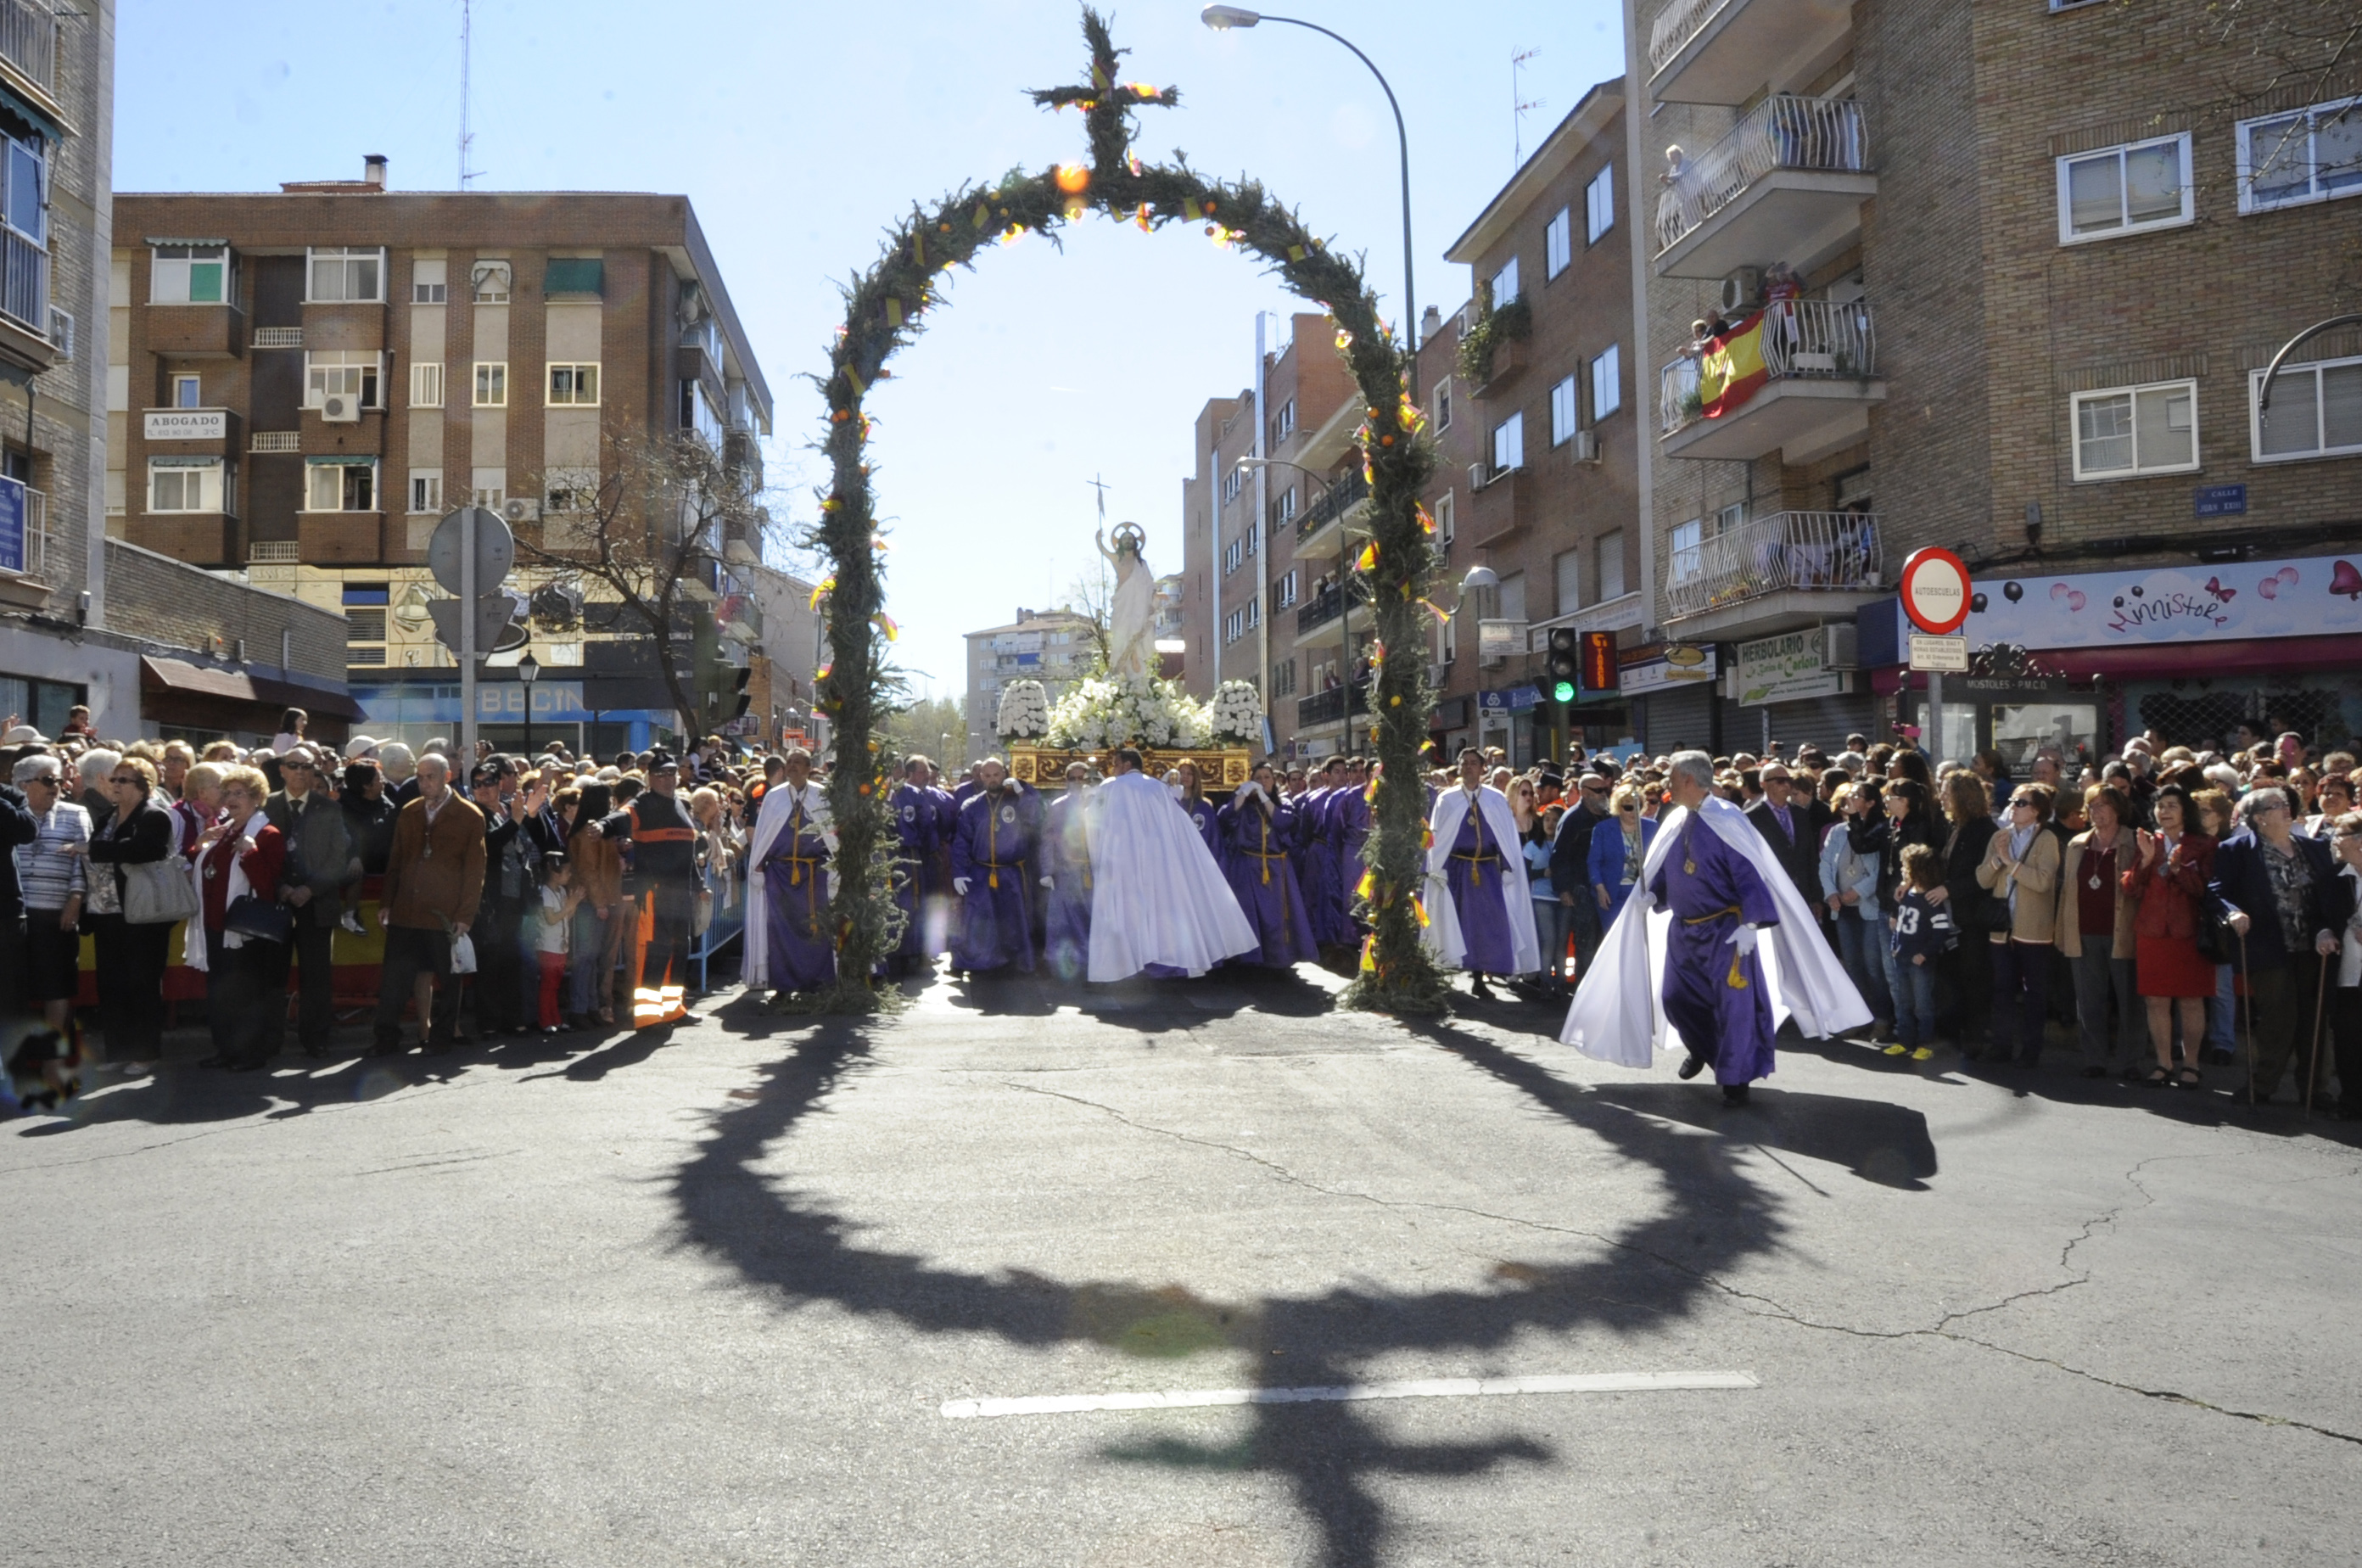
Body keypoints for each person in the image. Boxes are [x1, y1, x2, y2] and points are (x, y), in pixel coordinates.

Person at [1561, 750, 1868, 1104]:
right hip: (1684, 930)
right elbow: (1666, 867)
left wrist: (1752, 924)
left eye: (1673, 779)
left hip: (1726, 932)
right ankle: (1706, 1049)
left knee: (1733, 1008)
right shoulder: (1677, 818)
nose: (1667, 787)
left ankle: (1736, 1080)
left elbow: (1750, 873)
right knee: (1676, 999)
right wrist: (1652, 895)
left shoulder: (1727, 819)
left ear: (1690, 780)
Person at [1083, 746, 1258, 983]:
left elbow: (1092, 821)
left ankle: (1122, 963)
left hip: (1121, 862)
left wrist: (1098, 855)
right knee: (1155, 912)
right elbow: (1180, 826)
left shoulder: (1111, 786)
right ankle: (1155, 959)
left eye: (1115, 764)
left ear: (1125, 765)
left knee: (1123, 912)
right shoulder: (1158, 788)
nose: (1113, 769)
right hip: (1157, 862)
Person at [2211, 786, 2339, 1102]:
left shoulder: (2315, 848)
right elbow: (2216, 892)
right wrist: (2233, 913)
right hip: (2268, 946)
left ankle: (2315, 1088)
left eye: (2286, 803)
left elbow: (2330, 897)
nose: (2286, 808)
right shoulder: (2236, 850)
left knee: (2315, 1018)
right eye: (2276, 805)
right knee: (2278, 1018)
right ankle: (2263, 1085)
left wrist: (2326, 928)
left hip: (2313, 946)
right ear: (2259, 818)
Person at [370, 754, 484, 1056]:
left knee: (450, 980)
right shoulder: (410, 811)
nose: (424, 783)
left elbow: (475, 871)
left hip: (444, 914)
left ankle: (442, 1037)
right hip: (406, 911)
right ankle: (386, 1038)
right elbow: (396, 861)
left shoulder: (470, 816)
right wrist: (386, 903)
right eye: (419, 777)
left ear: (447, 777)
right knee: (394, 979)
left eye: (430, 776)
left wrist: (464, 916)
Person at [583, 753, 704, 1021]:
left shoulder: (680, 804)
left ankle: (674, 1010)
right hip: (654, 892)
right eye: (661, 774)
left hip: (680, 893)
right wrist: (602, 826)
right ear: (649, 778)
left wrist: (700, 885)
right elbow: (619, 816)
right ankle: (649, 1017)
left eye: (671, 773)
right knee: (656, 954)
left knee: (680, 951)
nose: (667, 779)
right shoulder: (641, 805)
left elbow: (688, 851)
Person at [82, 755, 179, 1074]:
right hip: (107, 911)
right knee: (111, 983)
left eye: (124, 780)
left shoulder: (154, 816)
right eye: (115, 779)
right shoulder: (107, 817)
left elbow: (143, 850)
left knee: (142, 982)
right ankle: (118, 1051)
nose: (116, 785)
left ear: (143, 787)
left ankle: (145, 1052)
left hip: (143, 913)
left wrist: (92, 850)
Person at [189, 764, 287, 1071]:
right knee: (220, 993)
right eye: (227, 793)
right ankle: (226, 1049)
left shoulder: (268, 834)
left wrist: (251, 853)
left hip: (245, 932)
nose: (231, 799)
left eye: (239, 794)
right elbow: (207, 871)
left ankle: (251, 1053)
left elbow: (268, 888)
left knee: (247, 995)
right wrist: (200, 843)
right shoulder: (225, 830)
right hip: (215, 926)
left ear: (257, 798)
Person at [264, 745, 356, 1059]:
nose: (301, 772)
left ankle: (315, 1037)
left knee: (316, 976)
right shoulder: (266, 805)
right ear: (282, 770)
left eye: (308, 767)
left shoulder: (328, 808)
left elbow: (337, 858)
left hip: (317, 904)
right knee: (272, 975)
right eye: (294, 765)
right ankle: (270, 1038)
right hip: (276, 904)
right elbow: (258, 857)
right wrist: (282, 887)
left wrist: (309, 889)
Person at [1425, 748, 1540, 999]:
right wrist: (1437, 868)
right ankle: (1446, 976)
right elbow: (1438, 837)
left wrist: (1508, 864)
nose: (1468, 767)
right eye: (1464, 763)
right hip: (1456, 870)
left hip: (1487, 871)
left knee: (1485, 926)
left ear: (1482, 768)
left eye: (1473, 763)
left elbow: (1506, 836)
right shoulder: (1448, 799)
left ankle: (1479, 979)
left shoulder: (1495, 799)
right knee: (1455, 923)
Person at [2129, 784, 2218, 1089]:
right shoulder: (2148, 841)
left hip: (2188, 931)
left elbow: (2207, 889)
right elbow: (2131, 888)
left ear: (2185, 812)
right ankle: (2163, 1063)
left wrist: (2180, 870)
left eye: (2171, 805)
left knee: (2191, 1001)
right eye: (2160, 806)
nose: (2164, 811)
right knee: (2156, 1001)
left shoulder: (2205, 844)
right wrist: (2144, 861)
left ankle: (2191, 1064)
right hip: (2152, 931)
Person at [2060, 784, 2142, 1080]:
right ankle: (2094, 1058)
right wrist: (2063, 934)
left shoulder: (2133, 841)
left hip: (2123, 932)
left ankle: (2130, 1061)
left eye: (2103, 805)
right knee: (2089, 1000)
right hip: (2083, 931)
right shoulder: (2076, 844)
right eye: (2091, 805)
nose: (2096, 811)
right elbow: (2067, 892)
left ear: (2118, 808)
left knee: (2129, 1001)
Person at [1978, 781, 2062, 1067]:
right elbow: (1982, 880)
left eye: (2021, 803)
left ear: (2037, 811)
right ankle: (2001, 1045)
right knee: (2001, 990)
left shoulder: (2046, 839)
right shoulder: (2000, 836)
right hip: (2002, 928)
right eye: (2013, 801)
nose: (2013, 806)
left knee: (2034, 993)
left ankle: (2031, 1050)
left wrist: (2009, 862)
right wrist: (1996, 862)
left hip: (2034, 931)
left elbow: (2042, 881)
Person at [746, 748, 837, 998]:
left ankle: (818, 982)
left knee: (816, 928)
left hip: (814, 874)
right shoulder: (774, 797)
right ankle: (783, 986)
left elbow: (831, 834)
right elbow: (763, 835)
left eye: (798, 762)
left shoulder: (820, 796)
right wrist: (757, 866)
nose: (793, 766)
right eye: (789, 762)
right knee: (779, 930)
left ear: (809, 767)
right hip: (779, 875)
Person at [12, 753, 89, 1033]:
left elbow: (84, 860)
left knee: (56, 985)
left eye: (58, 779)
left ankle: (53, 1053)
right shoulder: (9, 816)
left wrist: (76, 898)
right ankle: (18, 1054)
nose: (56, 785)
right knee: (13, 985)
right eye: (48, 780)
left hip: (56, 912)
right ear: (23, 785)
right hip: (15, 915)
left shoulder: (75, 813)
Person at [1222, 761, 1318, 970]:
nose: (1262, 781)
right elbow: (1224, 819)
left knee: (1277, 915)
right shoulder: (1243, 805)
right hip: (1248, 866)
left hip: (1276, 868)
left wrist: (1266, 800)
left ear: (1273, 781)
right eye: (1258, 778)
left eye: (1267, 777)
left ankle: (1277, 958)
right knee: (1249, 913)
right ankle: (1249, 959)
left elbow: (1285, 823)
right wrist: (1241, 796)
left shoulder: (1283, 803)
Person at [949, 758, 1037, 977]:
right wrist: (959, 873)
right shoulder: (971, 806)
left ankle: (1014, 962)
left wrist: (1024, 795)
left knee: (1013, 920)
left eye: (996, 774)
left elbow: (1036, 819)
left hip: (1012, 872)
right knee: (979, 920)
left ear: (1004, 773)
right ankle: (979, 962)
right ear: (980, 777)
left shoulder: (1018, 799)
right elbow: (961, 842)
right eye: (986, 776)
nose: (992, 779)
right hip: (981, 872)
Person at [1819, 781, 1891, 1033]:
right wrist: (1831, 894)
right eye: (1848, 794)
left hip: (1869, 909)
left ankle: (1882, 1018)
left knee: (1874, 966)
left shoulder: (1880, 830)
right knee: (1852, 965)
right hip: (1842, 909)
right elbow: (1825, 865)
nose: (1849, 798)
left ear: (1871, 802)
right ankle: (1859, 1018)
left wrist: (1857, 891)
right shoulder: (1838, 831)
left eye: (1856, 795)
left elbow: (1880, 871)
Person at [1889, 843, 1956, 1061]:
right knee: (1903, 1003)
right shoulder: (1907, 895)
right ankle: (1904, 1041)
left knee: (1923, 1005)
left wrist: (1925, 954)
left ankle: (1925, 1043)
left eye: (1907, 866)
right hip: (1901, 957)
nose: (1903, 870)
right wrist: (1894, 946)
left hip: (1920, 962)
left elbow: (1941, 931)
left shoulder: (1931, 901)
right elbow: (1899, 926)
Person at [566, 781, 624, 1025]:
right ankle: (580, 1009)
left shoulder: (593, 830)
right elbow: (589, 871)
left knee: (591, 958)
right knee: (586, 958)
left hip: (599, 900)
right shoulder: (591, 831)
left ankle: (589, 1007)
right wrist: (600, 903)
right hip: (593, 902)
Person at [1745, 762, 1824, 933]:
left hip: (1801, 894)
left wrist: (1816, 897)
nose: (1786, 785)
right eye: (1780, 781)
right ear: (1763, 784)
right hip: (1772, 895)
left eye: (1789, 780)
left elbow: (1811, 857)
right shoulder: (1751, 818)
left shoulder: (1800, 814)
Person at [2320, 813, 2362, 1118]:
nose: (2334, 840)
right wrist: (2322, 932)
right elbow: (2317, 915)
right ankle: (2351, 1100)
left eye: (2340, 834)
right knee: (2347, 1039)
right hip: (2347, 973)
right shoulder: (2332, 879)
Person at [1551, 773, 1609, 978]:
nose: (1604, 794)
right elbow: (1559, 856)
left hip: (1604, 886)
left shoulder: (1607, 816)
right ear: (1584, 793)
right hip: (1581, 888)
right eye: (1598, 790)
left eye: (1605, 789)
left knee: (1603, 940)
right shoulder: (1572, 819)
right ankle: (1582, 991)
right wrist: (1564, 889)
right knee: (1585, 941)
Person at [1040, 761, 1094, 981]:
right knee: (1061, 920)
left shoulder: (1097, 803)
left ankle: (1091, 962)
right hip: (1065, 871)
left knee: (1090, 917)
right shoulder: (1058, 806)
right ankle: (1058, 963)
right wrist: (1047, 870)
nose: (1078, 783)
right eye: (1073, 778)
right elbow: (1047, 839)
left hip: (1092, 872)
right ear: (1066, 781)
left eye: (1082, 778)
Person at [888, 755, 943, 975]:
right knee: (890, 905)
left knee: (913, 905)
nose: (894, 771)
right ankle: (889, 953)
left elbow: (926, 827)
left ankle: (913, 952)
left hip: (910, 858)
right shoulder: (876, 793)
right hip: (885, 858)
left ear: (904, 771)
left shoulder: (915, 796)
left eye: (897, 767)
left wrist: (929, 853)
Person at [1588, 781, 1657, 928]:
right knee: (1616, 940)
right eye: (1628, 807)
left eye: (1638, 806)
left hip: (1642, 893)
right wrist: (1600, 890)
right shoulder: (1603, 829)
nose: (1634, 811)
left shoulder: (1652, 827)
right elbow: (1594, 862)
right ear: (1619, 808)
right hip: (1612, 894)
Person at [530, 852, 582, 1033]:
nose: (569, 875)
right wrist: (569, 906)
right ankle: (546, 1021)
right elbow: (551, 919)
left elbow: (566, 917)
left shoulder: (561, 891)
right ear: (554, 873)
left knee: (556, 984)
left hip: (561, 945)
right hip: (548, 946)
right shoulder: (545, 892)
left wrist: (573, 904)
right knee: (548, 984)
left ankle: (556, 1019)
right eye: (566, 871)